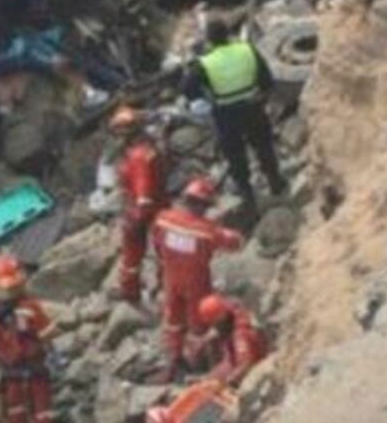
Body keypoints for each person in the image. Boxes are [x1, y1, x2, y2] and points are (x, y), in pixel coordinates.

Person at [185, 20, 287, 219]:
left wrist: (208, 97)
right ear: (228, 34)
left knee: (235, 154)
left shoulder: (205, 63)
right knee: (263, 145)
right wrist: (260, 97)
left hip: (226, 113)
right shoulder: (247, 50)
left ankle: (247, 194)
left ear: (209, 40)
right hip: (253, 107)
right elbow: (267, 80)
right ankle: (275, 181)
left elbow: (188, 89)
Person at [152, 177, 244, 375]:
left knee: (173, 320)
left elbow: (157, 243)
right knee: (199, 325)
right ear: (203, 205)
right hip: (196, 281)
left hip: (170, 277)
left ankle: (174, 358)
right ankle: (198, 364)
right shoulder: (206, 230)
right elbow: (233, 242)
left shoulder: (163, 218)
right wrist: (236, 236)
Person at [0, 254, 57, 423]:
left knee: (22, 406)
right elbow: (46, 332)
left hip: (18, 365)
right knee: (31, 405)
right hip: (21, 365)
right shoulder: (28, 306)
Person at [110, 106, 168, 304]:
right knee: (162, 251)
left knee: (132, 254)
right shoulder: (150, 148)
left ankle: (131, 290)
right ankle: (163, 286)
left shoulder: (138, 156)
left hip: (142, 209)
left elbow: (143, 186)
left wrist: (137, 215)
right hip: (159, 205)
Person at [191, 294, 270, 386]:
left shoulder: (240, 333)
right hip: (235, 359)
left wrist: (228, 382)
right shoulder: (231, 311)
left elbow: (246, 363)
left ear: (221, 320)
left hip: (254, 367)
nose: (215, 328)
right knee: (208, 380)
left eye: (215, 324)